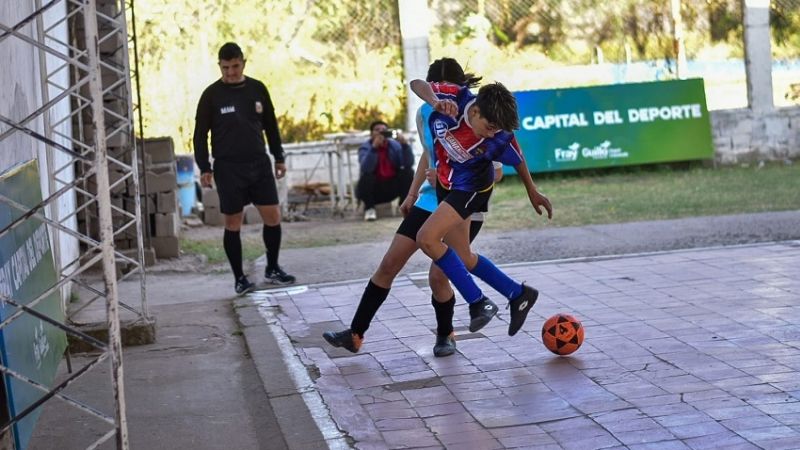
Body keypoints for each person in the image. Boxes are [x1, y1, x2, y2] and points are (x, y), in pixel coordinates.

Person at [323, 58, 498, 357]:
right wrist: (412, 192)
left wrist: (454, 176)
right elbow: (428, 155)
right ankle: (355, 334)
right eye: (437, 91)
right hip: (431, 200)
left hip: (462, 205)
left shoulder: (476, 114)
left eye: (450, 91)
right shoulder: (424, 113)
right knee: (389, 263)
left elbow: (494, 169)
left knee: (438, 275)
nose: (444, 98)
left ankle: (446, 335)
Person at [408, 76, 553, 336]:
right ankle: (518, 294)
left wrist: (532, 191)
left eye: (497, 130)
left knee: (426, 238)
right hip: (448, 182)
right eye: (489, 127)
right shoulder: (455, 97)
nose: (492, 134)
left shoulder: (499, 138)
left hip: (473, 187)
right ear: (474, 111)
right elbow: (416, 83)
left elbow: (518, 159)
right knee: (462, 256)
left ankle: (479, 303)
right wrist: (435, 101)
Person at [193, 42, 296, 295]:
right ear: (220, 66)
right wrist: (204, 167)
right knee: (233, 222)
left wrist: (278, 157)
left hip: (259, 163)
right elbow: (199, 135)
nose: (231, 72)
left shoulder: (257, 88)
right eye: (226, 67)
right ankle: (239, 278)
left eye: (235, 66)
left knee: (273, 216)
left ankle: (272, 268)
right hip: (228, 168)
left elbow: (271, 125)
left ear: (243, 63)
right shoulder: (211, 95)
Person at [356, 121, 415, 221]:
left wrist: (405, 146)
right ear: (371, 134)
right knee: (366, 177)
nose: (380, 132)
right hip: (374, 189)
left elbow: (408, 164)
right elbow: (366, 168)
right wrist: (374, 148)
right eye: (377, 130)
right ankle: (369, 209)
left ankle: (404, 206)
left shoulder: (394, 145)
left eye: (383, 130)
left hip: (392, 186)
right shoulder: (365, 147)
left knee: (408, 172)